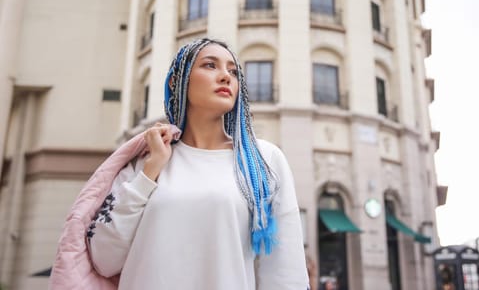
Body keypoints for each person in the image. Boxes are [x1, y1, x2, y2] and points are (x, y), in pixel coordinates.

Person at [82, 38, 309, 289]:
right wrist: (151, 171)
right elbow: (104, 258)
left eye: (233, 71)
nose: (225, 76)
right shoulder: (146, 161)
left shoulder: (263, 161)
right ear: (176, 81)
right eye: (210, 65)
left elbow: (286, 270)